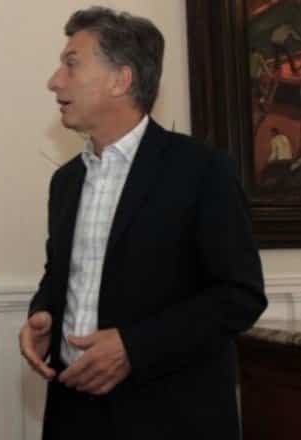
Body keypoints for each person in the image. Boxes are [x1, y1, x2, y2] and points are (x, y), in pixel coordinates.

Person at [18, 7, 266, 439]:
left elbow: (239, 295)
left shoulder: (201, 171)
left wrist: (134, 347)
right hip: (73, 415)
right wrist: (43, 314)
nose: (54, 81)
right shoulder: (66, 182)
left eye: (71, 64)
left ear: (121, 80)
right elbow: (60, 275)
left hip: (168, 417)